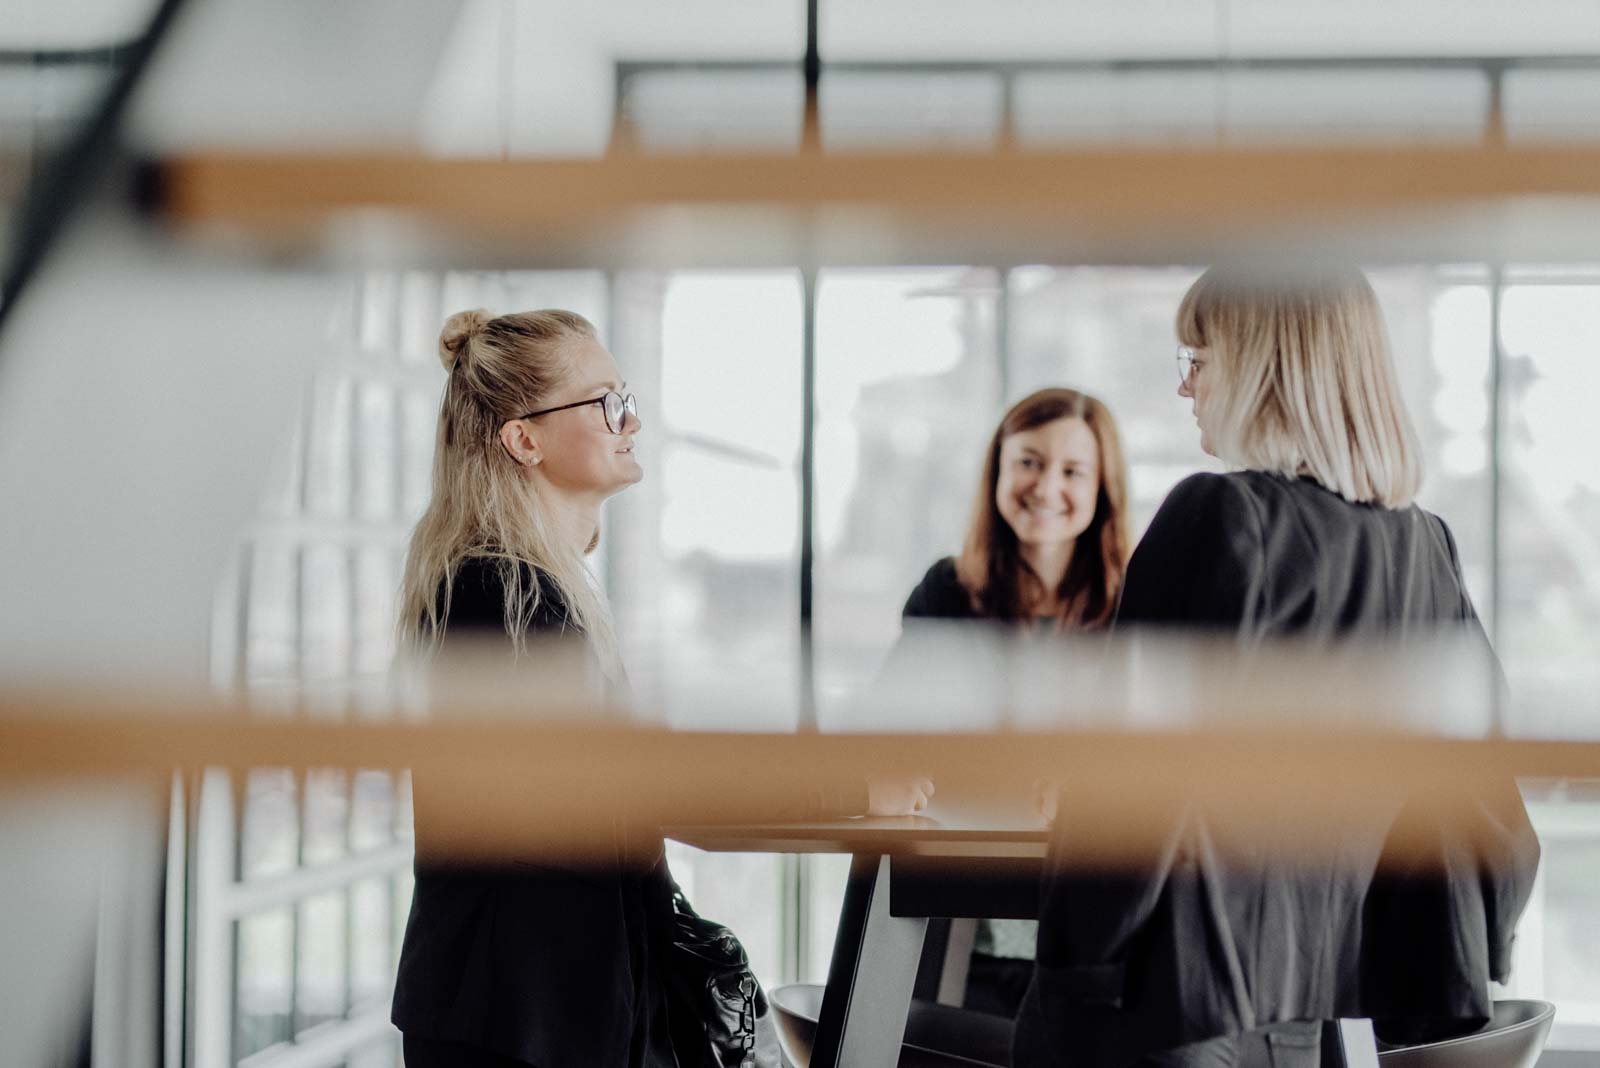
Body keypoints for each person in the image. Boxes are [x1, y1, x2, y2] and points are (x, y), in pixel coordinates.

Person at [1013, 266, 1540, 1067]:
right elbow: (1488, 801)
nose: (1187, 388)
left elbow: (1125, 793)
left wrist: (1065, 979)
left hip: (1164, 1010)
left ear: (1266, 368)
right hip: (1318, 1023)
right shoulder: (1424, 548)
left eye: (1201, 357)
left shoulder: (1220, 518)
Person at [390, 308, 933, 1068]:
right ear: (524, 438)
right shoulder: (499, 595)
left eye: (629, 396)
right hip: (515, 1024)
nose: (632, 419)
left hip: (540, 1012)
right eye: (607, 401)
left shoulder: (531, 589)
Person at [900, 387, 1132, 1017]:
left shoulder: (1138, 604)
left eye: (1073, 470)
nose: (1045, 485)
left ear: (1103, 486)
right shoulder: (947, 591)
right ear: (998, 469)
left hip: (1096, 934)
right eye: (1029, 461)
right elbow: (892, 731)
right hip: (959, 920)